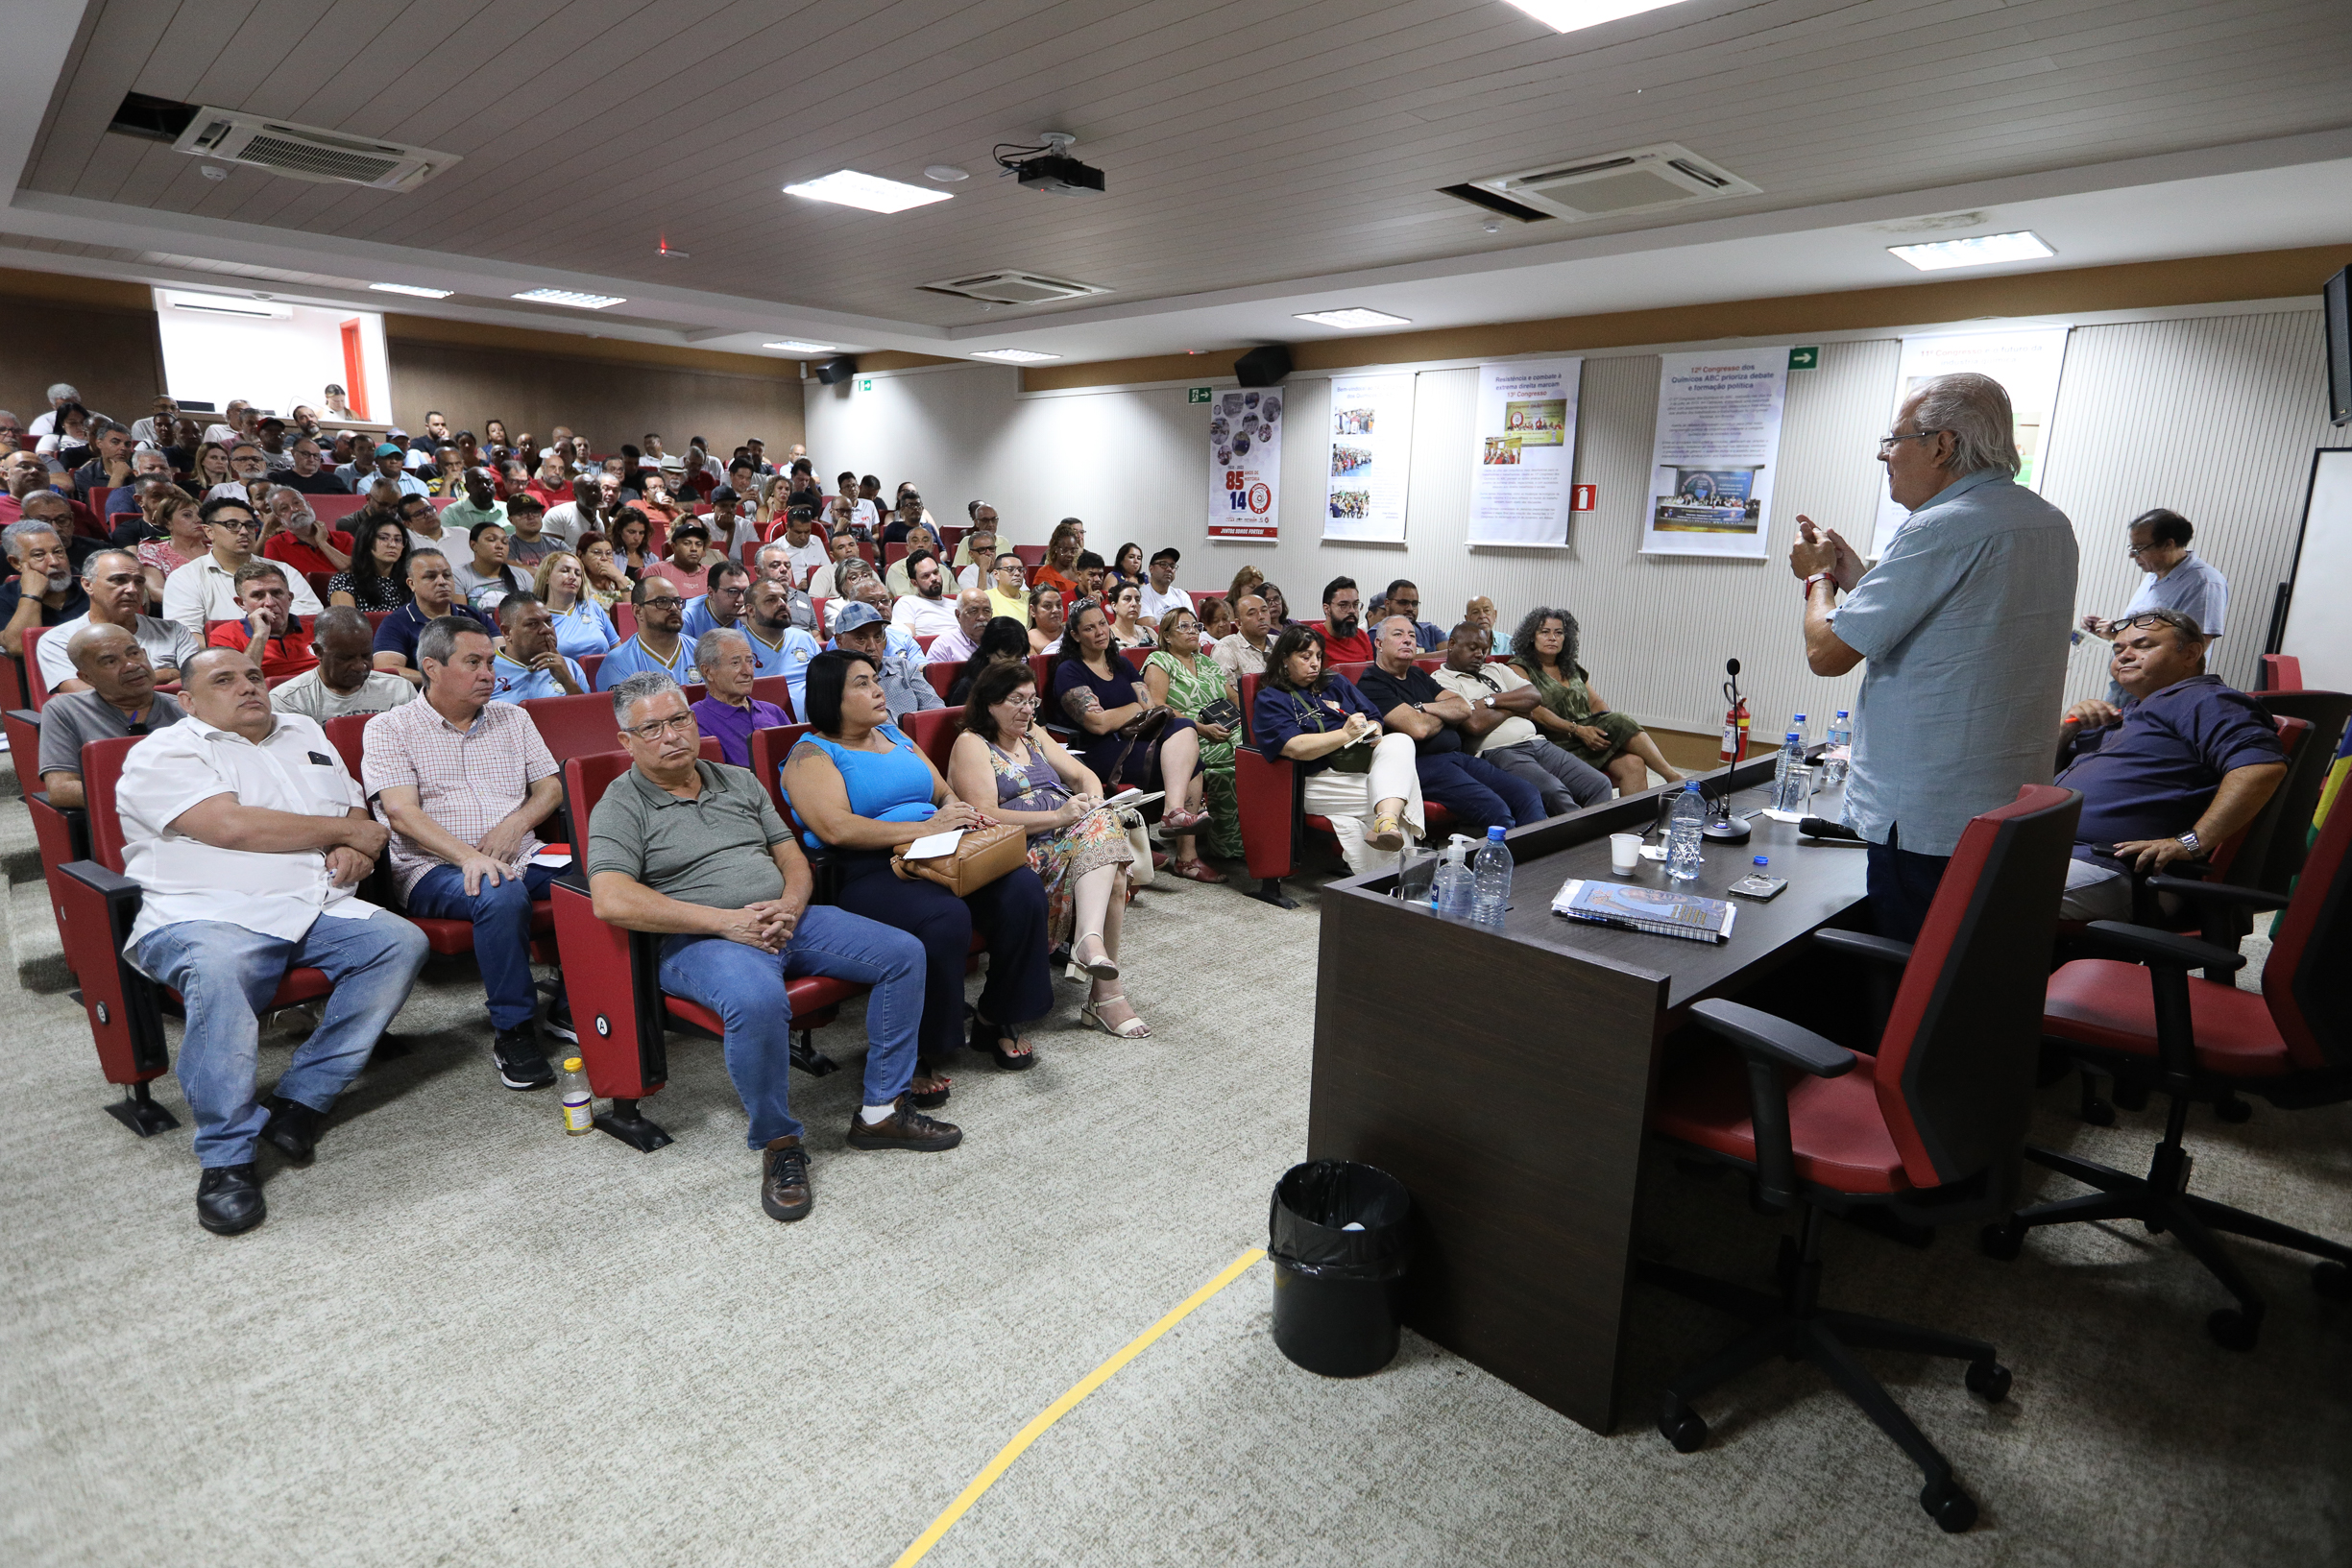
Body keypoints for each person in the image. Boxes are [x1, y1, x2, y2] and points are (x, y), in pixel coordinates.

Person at [590, 673, 952, 1219]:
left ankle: (881, 1110)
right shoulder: (621, 804)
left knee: (903, 953)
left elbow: (791, 857)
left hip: (788, 917)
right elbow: (610, 899)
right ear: (627, 741)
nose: (672, 736)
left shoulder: (736, 780)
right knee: (758, 1003)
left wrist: (790, 905)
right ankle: (780, 1144)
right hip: (700, 939)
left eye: (680, 720)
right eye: (653, 728)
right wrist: (726, 923)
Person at [118, 645, 429, 1234]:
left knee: (398, 943)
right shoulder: (162, 751)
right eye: (225, 680)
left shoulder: (303, 728)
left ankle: (302, 1098)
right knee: (218, 973)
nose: (249, 686)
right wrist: (350, 832)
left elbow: (351, 805)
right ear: (186, 700)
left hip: (310, 900)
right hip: (204, 911)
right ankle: (226, 1155)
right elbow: (232, 827)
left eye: (255, 675)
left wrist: (352, 844)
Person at [1790, 370, 2079, 943]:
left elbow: (1827, 653)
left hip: (1926, 815)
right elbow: (1957, 621)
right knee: (1975, 966)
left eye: (1893, 441)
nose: (1885, 457)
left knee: (1915, 974)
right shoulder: (2048, 522)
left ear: (1942, 444)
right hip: (2003, 803)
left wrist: (1818, 577)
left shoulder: (1941, 528)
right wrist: (1859, 579)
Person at [786, 649, 1055, 1082]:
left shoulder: (897, 736)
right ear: (829, 696)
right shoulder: (810, 754)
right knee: (943, 917)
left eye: (875, 679)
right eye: (862, 684)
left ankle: (994, 1017)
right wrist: (923, 830)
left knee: (1022, 890)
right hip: (867, 868)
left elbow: (944, 793)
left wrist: (959, 814)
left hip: (942, 851)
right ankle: (919, 1047)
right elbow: (835, 828)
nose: (877, 690)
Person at [364, 613, 572, 1085]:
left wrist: (515, 824)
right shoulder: (388, 728)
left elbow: (550, 789)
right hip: (431, 866)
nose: (489, 673)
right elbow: (401, 814)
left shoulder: (512, 717)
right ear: (433, 668)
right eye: (473, 662)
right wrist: (470, 856)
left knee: (598, 872)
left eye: (491, 661)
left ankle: (571, 1004)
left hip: (522, 851)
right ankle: (514, 1030)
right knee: (499, 891)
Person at [949, 660, 1152, 1035]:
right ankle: (1104, 994)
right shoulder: (972, 744)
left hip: (1067, 834)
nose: (1027, 710)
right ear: (990, 702)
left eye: (1032, 701)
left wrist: (1092, 800)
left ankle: (1092, 951)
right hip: (1016, 851)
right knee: (1114, 866)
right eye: (1017, 700)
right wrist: (1060, 816)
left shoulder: (1031, 734)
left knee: (1108, 839)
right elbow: (984, 814)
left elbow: (1082, 774)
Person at [2050, 608, 2286, 921]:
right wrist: (2069, 727)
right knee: (1967, 874)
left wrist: (2191, 842)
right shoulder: (2132, 714)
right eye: (2118, 649)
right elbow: (2043, 774)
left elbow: (2260, 768)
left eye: (2143, 646)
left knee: (1980, 895)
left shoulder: (2207, 700)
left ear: (2191, 653)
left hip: (2122, 870)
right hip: (2063, 854)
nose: (2124, 656)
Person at [1252, 625, 1424, 873]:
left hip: (1359, 768)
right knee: (1397, 798)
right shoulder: (1272, 698)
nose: (1315, 664)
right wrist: (1345, 734)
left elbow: (1374, 717)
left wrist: (1372, 732)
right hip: (1315, 781)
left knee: (1401, 741)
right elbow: (1295, 747)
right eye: (1305, 657)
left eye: (1319, 656)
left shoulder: (1335, 682)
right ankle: (1395, 881)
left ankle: (1386, 827)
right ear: (1284, 659)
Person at [1357, 615, 1546, 839]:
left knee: (1526, 793)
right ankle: (1507, 867)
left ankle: (1538, 856)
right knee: (1498, 812)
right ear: (1378, 643)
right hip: (1422, 764)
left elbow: (1463, 707)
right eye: (1398, 635)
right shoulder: (1371, 683)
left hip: (1457, 756)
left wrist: (1421, 708)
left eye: (1412, 635)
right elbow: (1418, 729)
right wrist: (1443, 712)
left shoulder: (1417, 674)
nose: (1407, 640)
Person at [1052, 598, 1210, 842]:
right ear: (1074, 635)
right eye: (1089, 628)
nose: (1100, 632)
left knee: (1184, 725)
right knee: (1191, 763)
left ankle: (1173, 813)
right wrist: (1133, 707)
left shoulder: (1121, 663)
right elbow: (1098, 724)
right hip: (1096, 750)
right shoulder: (1069, 670)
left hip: (1133, 737)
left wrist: (1121, 712)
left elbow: (1150, 708)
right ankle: (1184, 852)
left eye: (1102, 624)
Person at [1429, 622, 1612, 815]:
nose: (1479, 655)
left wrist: (1490, 701)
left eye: (1484, 650)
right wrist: (1515, 708)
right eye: (1473, 648)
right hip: (1499, 752)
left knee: (1599, 784)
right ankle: (1580, 842)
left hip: (1539, 743)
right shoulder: (1441, 679)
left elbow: (1534, 696)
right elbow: (1473, 724)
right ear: (1451, 644)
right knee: (1553, 791)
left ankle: (1592, 840)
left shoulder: (1496, 669)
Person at [1508, 607, 1685, 794]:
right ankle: (1671, 776)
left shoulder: (1571, 668)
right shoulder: (1518, 667)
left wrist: (1600, 731)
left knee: (1634, 763)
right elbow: (1535, 710)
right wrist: (1578, 730)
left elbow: (1596, 704)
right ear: (1531, 636)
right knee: (1621, 720)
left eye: (1558, 633)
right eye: (1545, 632)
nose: (1552, 637)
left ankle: (1631, 822)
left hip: (1586, 737)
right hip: (1554, 741)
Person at [2082, 508, 2228, 704]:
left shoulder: (2204, 582)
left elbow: (2193, 646)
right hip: (2128, 685)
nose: (2133, 556)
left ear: (2169, 544)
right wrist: (2114, 631)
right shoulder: (2154, 576)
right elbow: (2148, 630)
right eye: (2131, 549)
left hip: (2160, 693)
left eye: (2140, 549)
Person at [37, 624, 187, 808]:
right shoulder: (65, 710)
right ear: (87, 677)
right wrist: (146, 799)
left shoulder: (186, 708)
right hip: (117, 820)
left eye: (134, 654)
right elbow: (61, 790)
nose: (131, 666)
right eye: (110, 662)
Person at [1143, 605, 1242, 872]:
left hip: (1225, 727)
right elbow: (1158, 706)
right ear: (1167, 636)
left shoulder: (1207, 661)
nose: (1193, 632)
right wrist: (1200, 727)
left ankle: (1249, 843)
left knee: (1253, 757)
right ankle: (1226, 845)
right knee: (1240, 763)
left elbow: (1233, 698)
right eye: (1183, 627)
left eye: (1196, 626)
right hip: (1184, 735)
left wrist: (1244, 716)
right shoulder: (1159, 661)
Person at [39, 549, 198, 694]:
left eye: (139, 581)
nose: (132, 589)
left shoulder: (174, 631)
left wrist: (110, 684)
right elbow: (81, 694)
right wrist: (167, 674)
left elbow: (198, 682)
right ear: (88, 585)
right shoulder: (58, 639)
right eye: (119, 580)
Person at [160, 497, 320, 633]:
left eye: (249, 525)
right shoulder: (185, 578)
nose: (244, 531)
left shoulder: (284, 571)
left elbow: (313, 622)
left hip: (289, 656)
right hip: (225, 663)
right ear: (209, 532)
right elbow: (187, 638)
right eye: (232, 525)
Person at [271, 606, 420, 719]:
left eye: (366, 655)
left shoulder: (399, 690)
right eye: (346, 658)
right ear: (318, 651)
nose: (360, 666)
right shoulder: (288, 700)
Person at [372, 551, 497, 686]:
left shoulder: (474, 615)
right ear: (411, 584)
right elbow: (386, 670)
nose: (442, 582)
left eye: (447, 575)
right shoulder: (396, 623)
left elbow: (503, 657)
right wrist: (442, 680)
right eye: (430, 577)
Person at [690, 628, 789, 766]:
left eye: (749, 661)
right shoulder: (695, 721)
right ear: (708, 671)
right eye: (735, 663)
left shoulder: (774, 711)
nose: (748, 671)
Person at [205, 562, 319, 682]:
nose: (270, 602)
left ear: (289, 598)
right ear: (241, 603)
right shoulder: (224, 636)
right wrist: (259, 636)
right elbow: (237, 683)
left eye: (276, 593)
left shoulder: (319, 631)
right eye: (258, 595)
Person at [833, 601, 941, 723]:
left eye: (878, 637)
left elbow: (936, 714)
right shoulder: (832, 680)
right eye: (861, 639)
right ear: (839, 641)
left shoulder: (904, 668)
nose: (872, 646)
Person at [594, 574, 697, 688]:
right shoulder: (618, 662)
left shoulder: (701, 651)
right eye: (662, 601)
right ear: (638, 611)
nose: (674, 608)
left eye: (677, 601)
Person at [740, 579, 822, 710]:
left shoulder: (804, 638)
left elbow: (826, 685)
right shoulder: (734, 645)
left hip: (815, 723)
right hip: (760, 725)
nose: (782, 604)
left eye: (784, 598)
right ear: (750, 610)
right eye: (771, 600)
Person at [488, 592, 587, 701]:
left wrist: (568, 682)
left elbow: (591, 716)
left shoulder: (570, 667)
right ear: (507, 632)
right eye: (533, 624)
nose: (547, 629)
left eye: (548, 621)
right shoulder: (486, 671)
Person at [3, 518, 89, 640]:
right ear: (16, 563)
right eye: (39, 555)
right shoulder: (4, 598)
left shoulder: (92, 590)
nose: (54, 562)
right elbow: (18, 646)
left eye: (58, 551)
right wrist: (31, 595)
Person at [533, 549, 619, 659]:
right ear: (546, 577)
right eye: (565, 571)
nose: (573, 577)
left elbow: (618, 651)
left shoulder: (592, 607)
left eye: (578, 574)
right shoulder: (536, 617)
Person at [258, 487, 352, 580]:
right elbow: (274, 582)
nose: (294, 509)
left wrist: (323, 543)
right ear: (279, 519)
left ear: (308, 505)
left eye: (297, 503)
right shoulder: (275, 545)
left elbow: (355, 570)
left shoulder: (344, 537)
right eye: (284, 508)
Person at [135, 484, 207, 603]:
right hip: (176, 612)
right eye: (187, 515)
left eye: (200, 515)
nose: (198, 520)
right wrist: (196, 605)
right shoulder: (152, 551)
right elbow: (156, 591)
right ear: (168, 523)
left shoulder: (217, 551)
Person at [327, 514, 412, 611]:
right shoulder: (345, 581)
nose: (392, 545)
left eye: (398, 540)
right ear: (367, 540)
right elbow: (346, 623)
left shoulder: (411, 581)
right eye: (383, 538)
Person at [946, 615, 1033, 705]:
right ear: (988, 651)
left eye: (1018, 658)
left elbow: (1037, 717)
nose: (1013, 665)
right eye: (1006, 657)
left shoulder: (1025, 683)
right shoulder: (968, 688)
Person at [449, 519, 521, 611]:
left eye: (505, 542)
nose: (500, 546)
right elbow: (463, 619)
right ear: (474, 545)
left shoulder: (522, 575)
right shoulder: (458, 575)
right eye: (491, 540)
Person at [888, 550, 961, 639]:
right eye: (926, 576)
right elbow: (907, 642)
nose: (934, 578)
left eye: (936, 572)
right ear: (914, 583)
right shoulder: (907, 603)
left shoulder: (957, 604)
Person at [681, 559, 752, 644]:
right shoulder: (686, 617)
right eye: (733, 591)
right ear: (711, 593)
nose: (741, 599)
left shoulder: (753, 612)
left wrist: (751, 628)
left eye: (746, 591)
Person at [641, 516, 710, 598]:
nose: (694, 549)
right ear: (674, 546)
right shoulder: (657, 571)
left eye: (698, 544)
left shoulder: (713, 573)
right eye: (687, 543)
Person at [1212, 591, 1275, 680]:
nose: (1261, 617)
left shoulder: (1280, 642)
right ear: (1238, 623)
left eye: (1264, 611)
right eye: (1252, 613)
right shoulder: (1226, 648)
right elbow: (1224, 689)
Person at [923, 588, 994, 667]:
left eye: (986, 611)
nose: (981, 617)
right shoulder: (944, 646)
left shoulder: (1001, 640)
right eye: (973, 611)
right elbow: (934, 678)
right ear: (958, 615)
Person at [1316, 576, 1372, 664]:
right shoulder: (1314, 638)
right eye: (1343, 605)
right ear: (1327, 609)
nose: (1352, 611)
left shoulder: (1362, 637)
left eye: (1355, 605)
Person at [502, 493, 561, 571]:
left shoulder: (558, 545)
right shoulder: (506, 545)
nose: (530, 516)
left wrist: (523, 567)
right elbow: (513, 572)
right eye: (522, 513)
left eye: (535, 512)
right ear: (511, 520)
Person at [1380, 580, 1443, 652]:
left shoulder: (1431, 630)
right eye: (1403, 602)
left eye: (1414, 604)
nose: (1410, 608)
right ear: (1387, 604)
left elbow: (1450, 655)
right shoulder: (1378, 632)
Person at [575, 529, 632, 609]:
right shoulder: (576, 584)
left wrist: (620, 579)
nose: (604, 558)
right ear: (581, 555)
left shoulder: (624, 580)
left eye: (608, 553)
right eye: (597, 552)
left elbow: (636, 615)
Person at [883, 524, 943, 598]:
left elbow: (956, 597)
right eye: (915, 541)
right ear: (907, 547)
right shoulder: (896, 569)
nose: (920, 545)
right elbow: (905, 600)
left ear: (933, 547)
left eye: (925, 541)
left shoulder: (944, 570)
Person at [807, 529, 864, 601]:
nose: (848, 550)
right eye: (841, 547)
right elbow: (814, 603)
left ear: (858, 549)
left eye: (851, 545)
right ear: (832, 555)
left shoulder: (868, 571)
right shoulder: (825, 572)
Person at [1032, 519, 1082, 601]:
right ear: (1056, 549)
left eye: (1073, 550)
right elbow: (1045, 602)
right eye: (1065, 550)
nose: (1069, 554)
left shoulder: (1079, 572)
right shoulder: (1045, 573)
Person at [1107, 582, 1158, 651]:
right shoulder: (1107, 634)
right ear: (1114, 605)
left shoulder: (1149, 632)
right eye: (1127, 599)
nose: (1134, 604)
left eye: (1137, 600)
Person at [982, 550, 1030, 625]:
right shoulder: (986, 598)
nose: (1017, 573)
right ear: (996, 574)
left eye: (1020, 570)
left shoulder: (1032, 599)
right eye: (1010, 569)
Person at [1138, 547, 1186, 620]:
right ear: (1151, 569)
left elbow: (1192, 625)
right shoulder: (1141, 594)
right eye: (1163, 564)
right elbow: (1149, 626)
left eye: (1172, 566)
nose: (1169, 569)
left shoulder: (1182, 595)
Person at [1028, 583, 1066, 655]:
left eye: (1059, 605)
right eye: (1047, 606)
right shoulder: (1025, 641)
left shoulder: (1074, 634)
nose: (1056, 610)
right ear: (1032, 610)